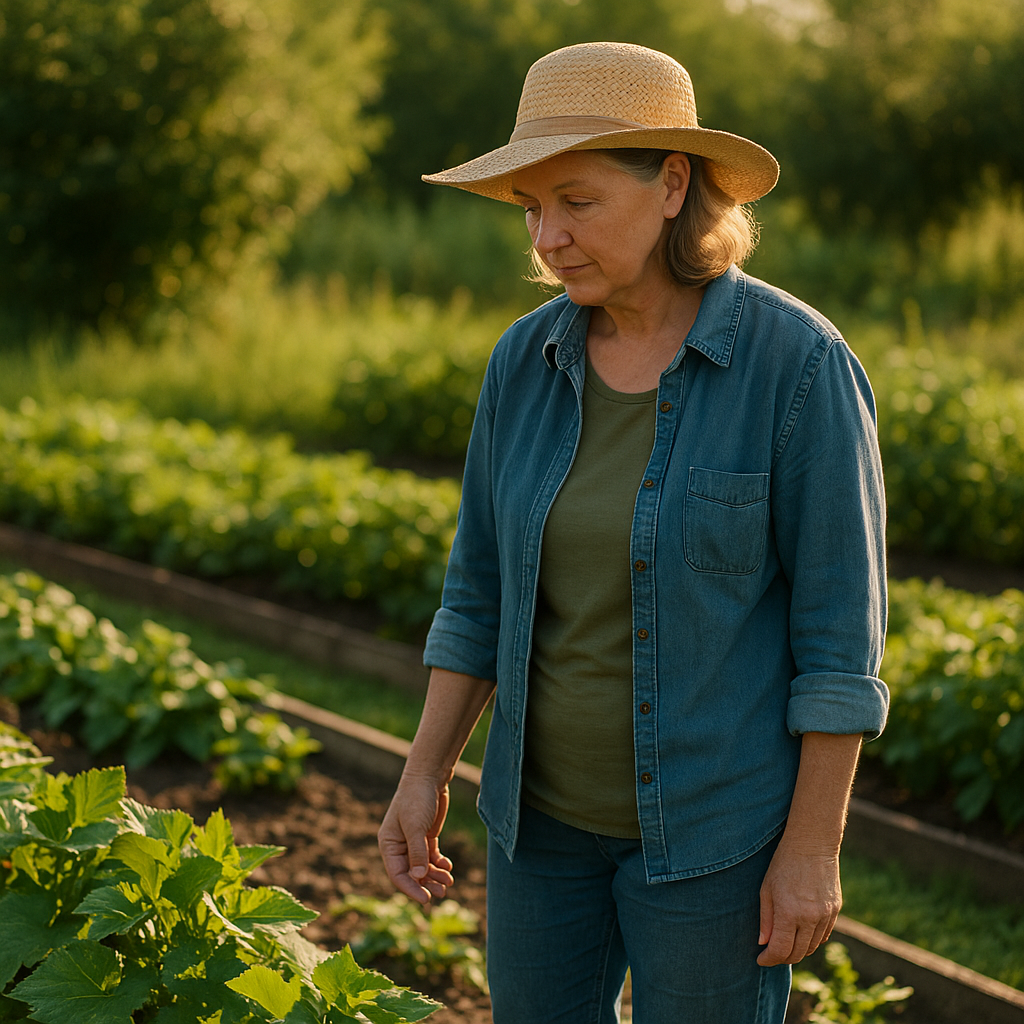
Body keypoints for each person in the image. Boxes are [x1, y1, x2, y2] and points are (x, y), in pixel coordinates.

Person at [377, 41, 888, 1024]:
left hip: (711, 838)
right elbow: (476, 592)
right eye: (531, 207)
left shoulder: (796, 367)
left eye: (576, 200)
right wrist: (421, 774)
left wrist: (811, 849)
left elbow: (837, 640)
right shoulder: (522, 364)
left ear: (671, 185)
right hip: (539, 834)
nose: (547, 236)